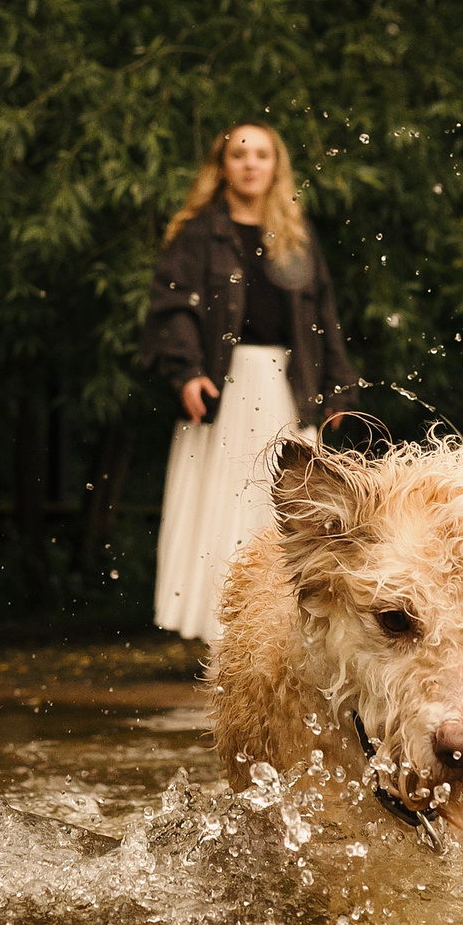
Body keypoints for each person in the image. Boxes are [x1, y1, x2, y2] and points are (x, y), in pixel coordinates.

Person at [139, 121, 361, 642]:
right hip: (223, 389)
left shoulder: (295, 237)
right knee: (223, 499)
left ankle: (280, 628)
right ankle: (219, 628)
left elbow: (323, 317)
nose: (250, 163)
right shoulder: (199, 235)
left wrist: (339, 389)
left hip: (290, 388)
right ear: (222, 165)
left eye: (261, 154)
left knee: (284, 504)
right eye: (239, 154)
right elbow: (173, 308)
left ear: (275, 166)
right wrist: (186, 373)